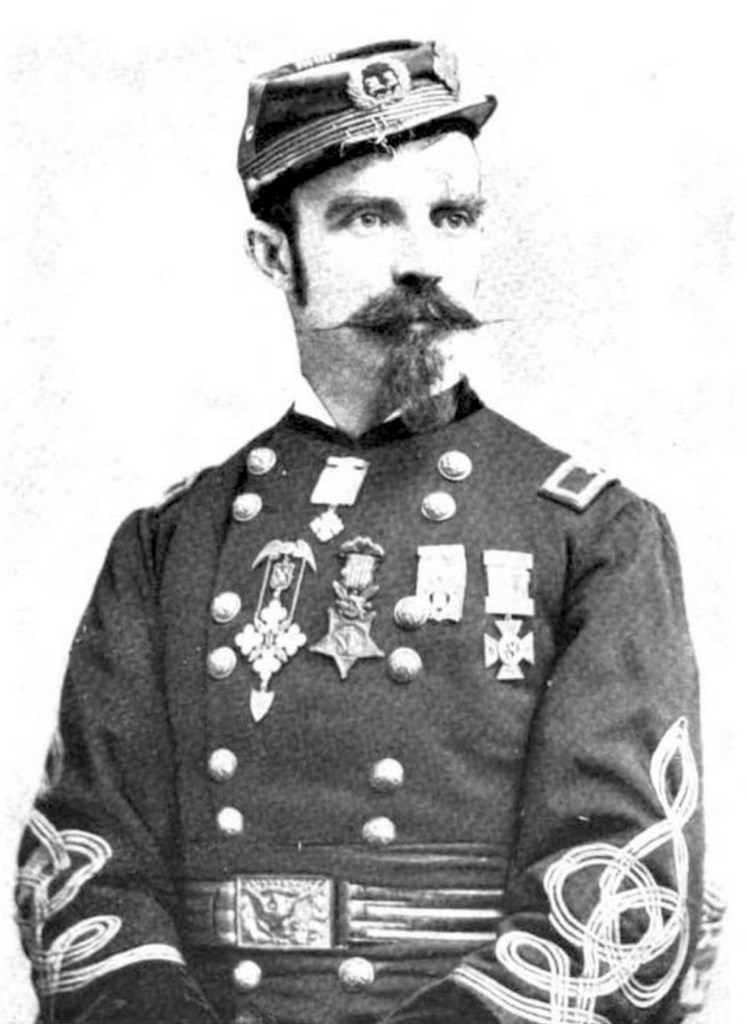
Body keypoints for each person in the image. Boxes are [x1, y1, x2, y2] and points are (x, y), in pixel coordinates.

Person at [15, 39, 707, 1024]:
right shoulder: (169, 543)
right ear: (272, 255)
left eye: (450, 215)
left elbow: (620, 895)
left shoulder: (594, 536)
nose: (421, 258)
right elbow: (84, 864)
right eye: (367, 216)